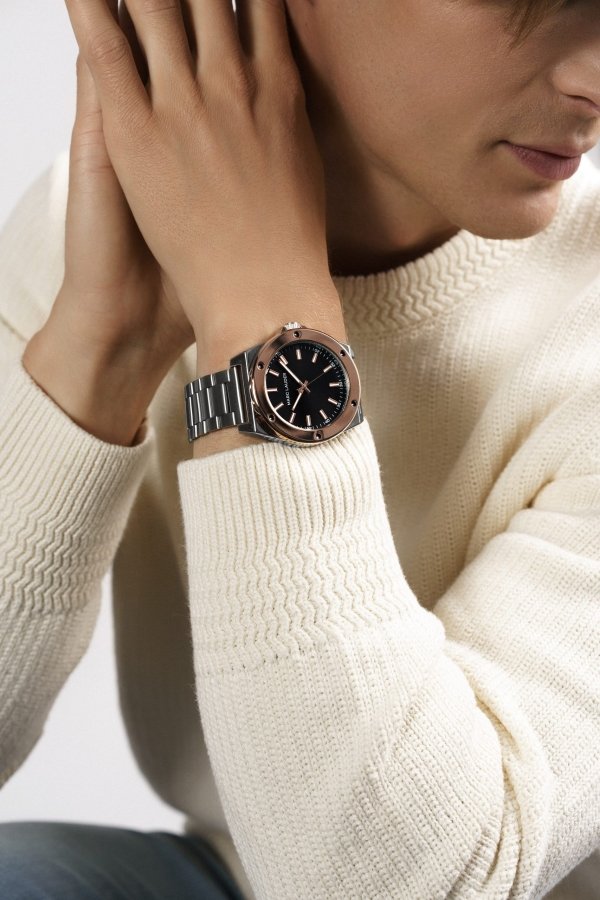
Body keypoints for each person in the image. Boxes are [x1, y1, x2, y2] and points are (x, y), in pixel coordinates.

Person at [0, 0, 599, 897]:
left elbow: (402, 884)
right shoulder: (96, 224)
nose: (593, 77)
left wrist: (259, 307)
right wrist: (103, 347)